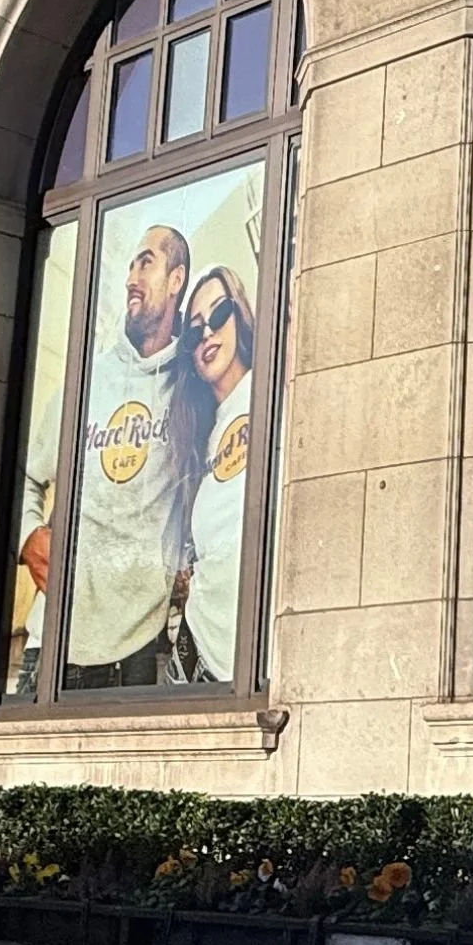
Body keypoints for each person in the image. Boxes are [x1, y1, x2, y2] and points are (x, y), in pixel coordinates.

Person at [31, 221, 192, 689]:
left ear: (176, 279)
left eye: (146, 263)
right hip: (54, 642)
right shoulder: (89, 380)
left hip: (139, 650)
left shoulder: (188, 386)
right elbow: (27, 473)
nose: (131, 278)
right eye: (129, 266)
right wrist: (30, 537)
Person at [171, 266, 255, 686]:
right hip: (194, 656)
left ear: (239, 313)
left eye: (219, 315)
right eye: (193, 330)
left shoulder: (271, 389)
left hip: (256, 668)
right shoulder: (198, 431)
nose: (206, 335)